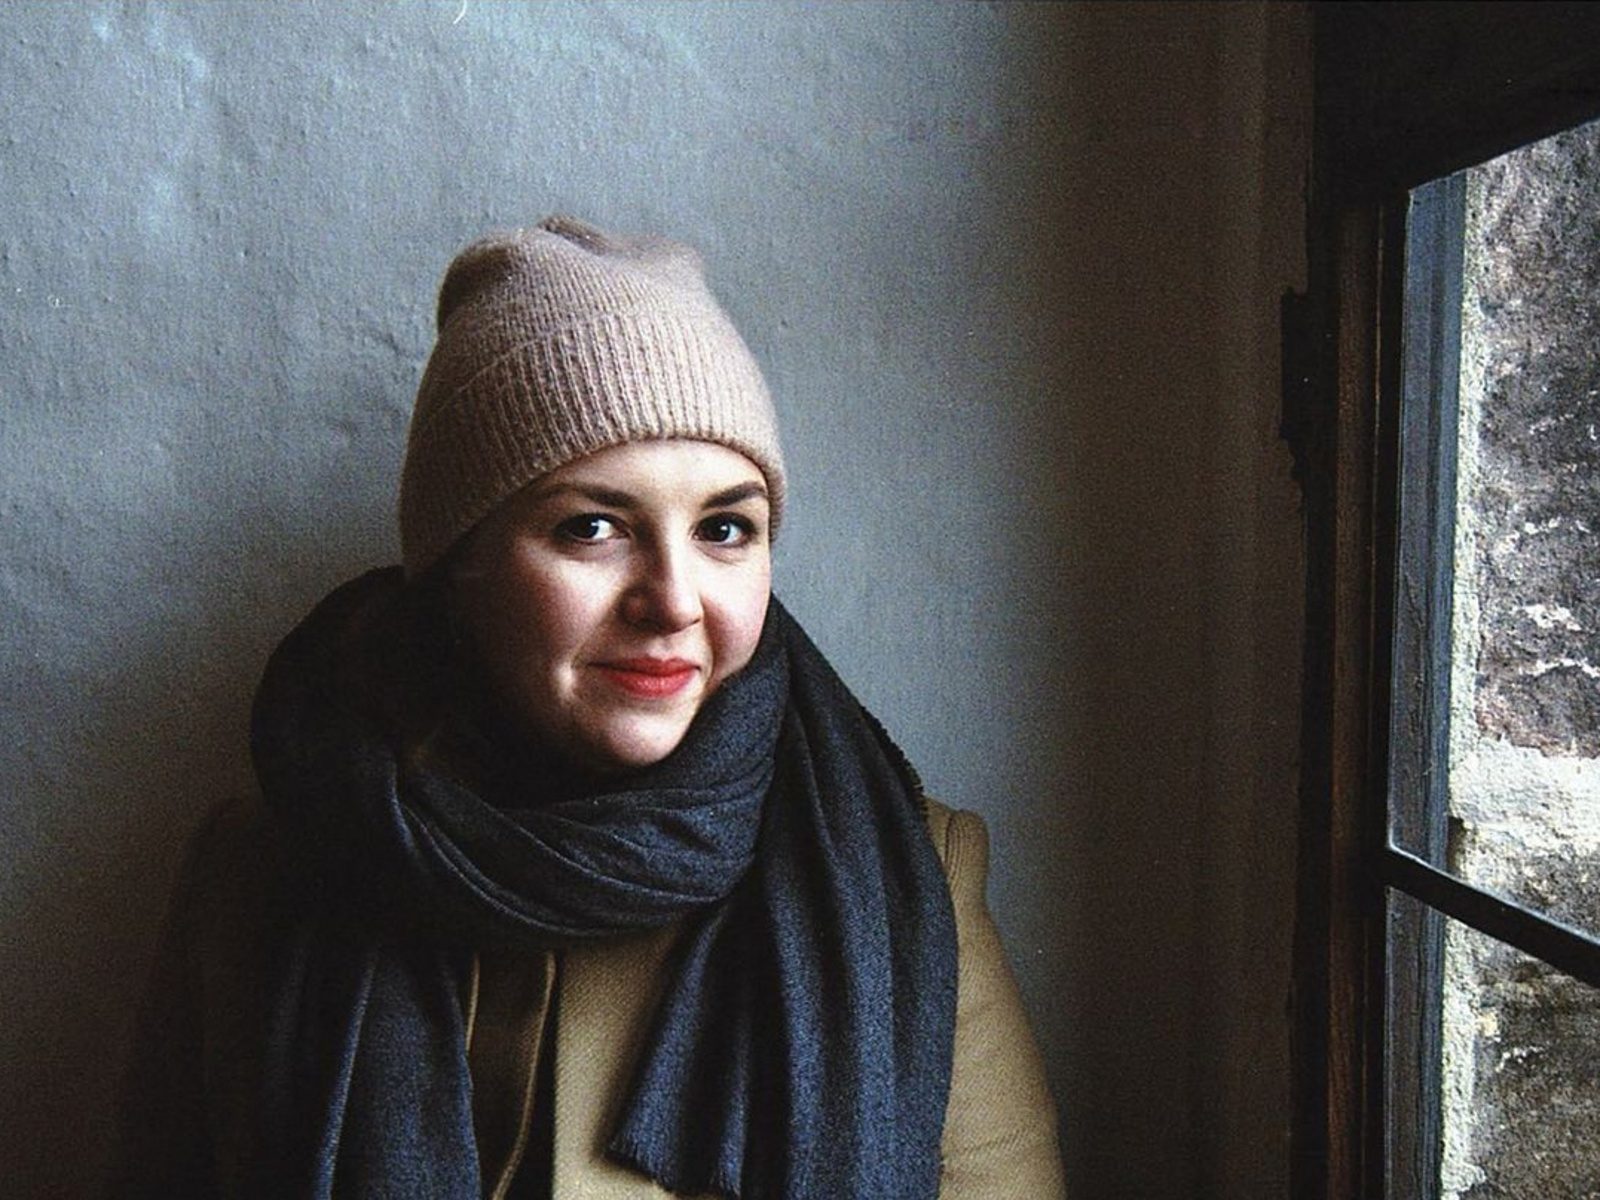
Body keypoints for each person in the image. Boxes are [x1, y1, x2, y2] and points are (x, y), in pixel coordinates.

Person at [110, 216, 1066, 1199]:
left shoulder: (904, 878)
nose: (674, 600)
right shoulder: (263, 877)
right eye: (593, 526)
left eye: (725, 528)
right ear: (459, 569)